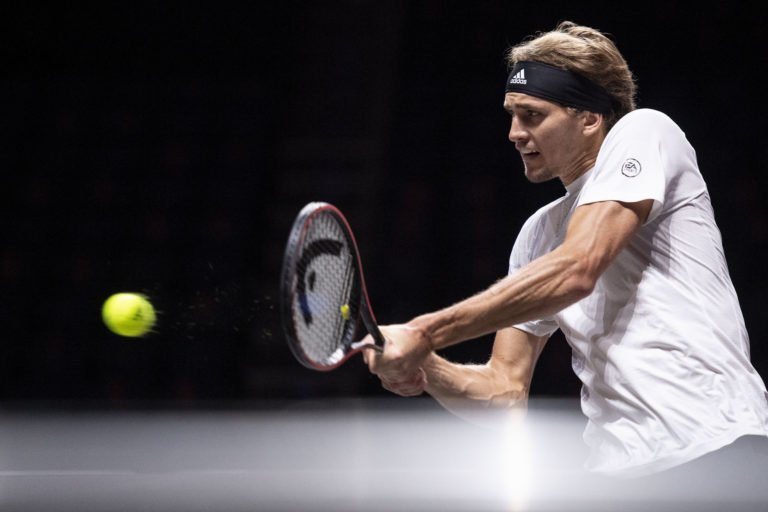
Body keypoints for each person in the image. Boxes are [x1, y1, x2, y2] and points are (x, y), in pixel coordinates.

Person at [362, 21, 768, 478]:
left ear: (591, 118)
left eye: (532, 115)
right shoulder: (538, 234)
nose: (514, 133)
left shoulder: (646, 130)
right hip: (619, 477)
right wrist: (426, 365)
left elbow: (578, 269)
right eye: (511, 115)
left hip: (716, 447)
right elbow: (504, 392)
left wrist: (425, 331)